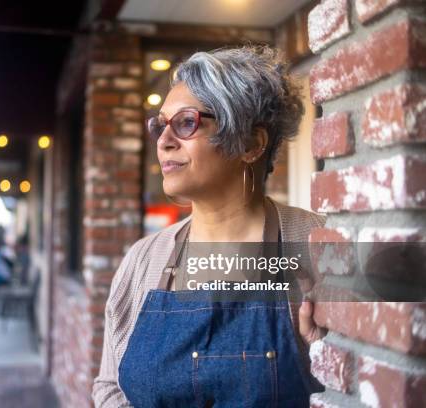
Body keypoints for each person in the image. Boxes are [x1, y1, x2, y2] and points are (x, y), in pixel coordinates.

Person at [92, 46, 327, 407]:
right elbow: (110, 387)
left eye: (186, 122)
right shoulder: (142, 261)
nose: (164, 141)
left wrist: (325, 354)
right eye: (160, 125)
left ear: (251, 142)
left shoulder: (318, 247)